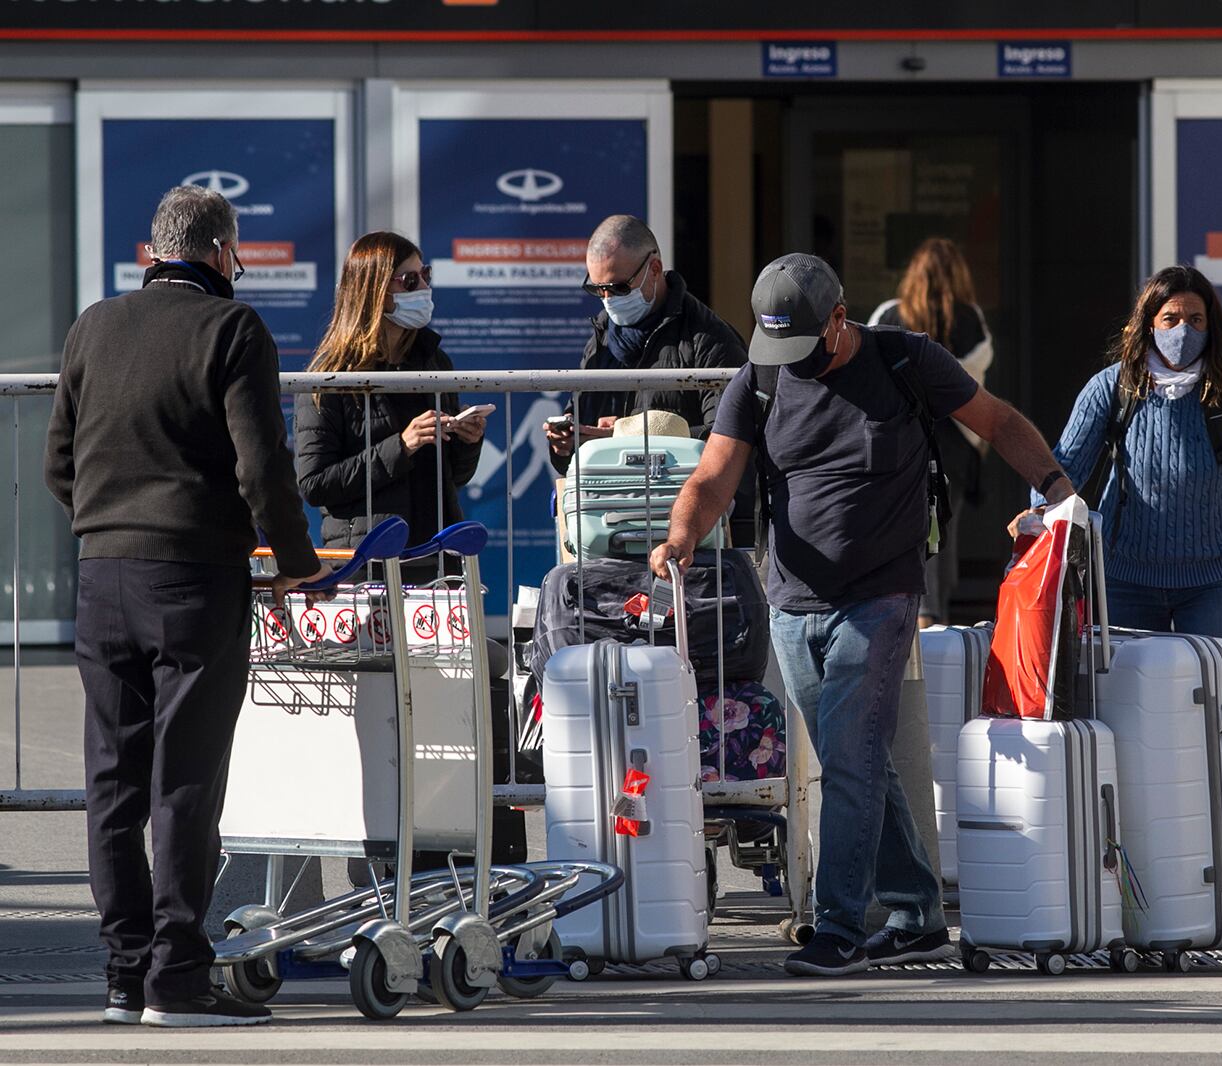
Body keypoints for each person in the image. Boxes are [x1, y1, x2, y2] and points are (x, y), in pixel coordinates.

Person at [648, 253, 1074, 977]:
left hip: (881, 596)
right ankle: (917, 917)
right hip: (791, 603)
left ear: (839, 319)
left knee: (848, 762)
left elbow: (997, 421)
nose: (792, 359)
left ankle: (839, 927)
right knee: (861, 760)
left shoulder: (905, 360)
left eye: (802, 342)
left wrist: (1057, 490)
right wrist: (680, 537)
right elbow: (713, 477)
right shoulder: (761, 377)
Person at [45, 184, 332, 1027]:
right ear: (220, 252)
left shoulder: (94, 326)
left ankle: (122, 975)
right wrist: (296, 562)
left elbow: (59, 461)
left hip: (102, 575)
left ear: (153, 253)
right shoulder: (231, 329)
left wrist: (107, 522)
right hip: (196, 579)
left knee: (113, 781)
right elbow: (262, 467)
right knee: (186, 782)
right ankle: (176, 978)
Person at [294, 230, 525, 868]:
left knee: (454, 714)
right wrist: (402, 445)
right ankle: (384, 867)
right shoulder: (331, 377)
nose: (424, 289)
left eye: (426, 277)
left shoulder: (432, 360)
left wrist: (464, 441)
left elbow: (451, 476)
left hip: (435, 565)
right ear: (375, 289)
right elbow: (315, 483)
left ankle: (468, 863)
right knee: (387, 725)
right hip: (368, 571)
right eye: (410, 279)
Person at [1029, 264, 1222, 641]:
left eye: (1195, 320)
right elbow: (1065, 466)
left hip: (1212, 577)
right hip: (1126, 574)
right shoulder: (1111, 387)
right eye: (1171, 319)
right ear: (1149, 324)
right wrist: (1039, 513)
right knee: (1132, 677)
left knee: (1207, 675)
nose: (1183, 331)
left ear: (1211, 328)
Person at [544, 214, 755, 541]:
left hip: (687, 528)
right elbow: (582, 437)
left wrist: (625, 436)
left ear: (654, 269)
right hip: (610, 522)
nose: (608, 300)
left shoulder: (709, 339)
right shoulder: (601, 340)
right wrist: (566, 443)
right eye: (597, 289)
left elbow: (729, 441)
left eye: (618, 287)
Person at [868, 238, 995, 628]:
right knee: (943, 535)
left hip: (899, 443)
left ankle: (917, 622)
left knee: (906, 534)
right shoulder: (970, 319)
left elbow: (867, 370)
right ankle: (933, 620)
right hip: (953, 446)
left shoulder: (889, 314)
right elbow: (975, 376)